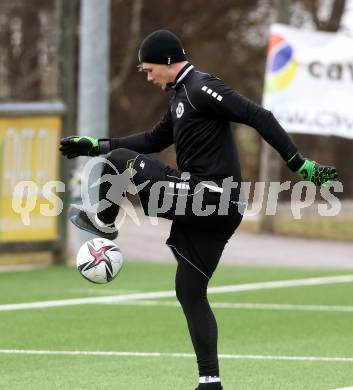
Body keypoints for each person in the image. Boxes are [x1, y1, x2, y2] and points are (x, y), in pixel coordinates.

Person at [60, 29, 337, 390]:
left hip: (211, 197)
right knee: (189, 291)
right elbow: (154, 140)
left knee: (121, 162)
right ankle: (211, 381)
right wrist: (95, 144)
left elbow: (260, 116)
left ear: (169, 61)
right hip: (216, 207)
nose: (147, 76)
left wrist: (300, 165)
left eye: (149, 69)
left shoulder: (203, 87)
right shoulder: (179, 98)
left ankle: (106, 225)